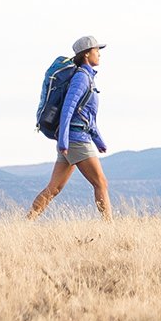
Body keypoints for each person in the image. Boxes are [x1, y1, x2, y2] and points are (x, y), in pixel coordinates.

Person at [28, 35, 112, 220]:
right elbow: (68, 109)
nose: (99, 54)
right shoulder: (82, 78)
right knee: (101, 183)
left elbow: (86, 114)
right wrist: (64, 141)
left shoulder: (87, 77)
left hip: (72, 138)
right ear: (86, 54)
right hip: (76, 139)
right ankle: (110, 227)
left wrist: (98, 140)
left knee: (54, 188)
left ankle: (27, 221)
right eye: (96, 50)